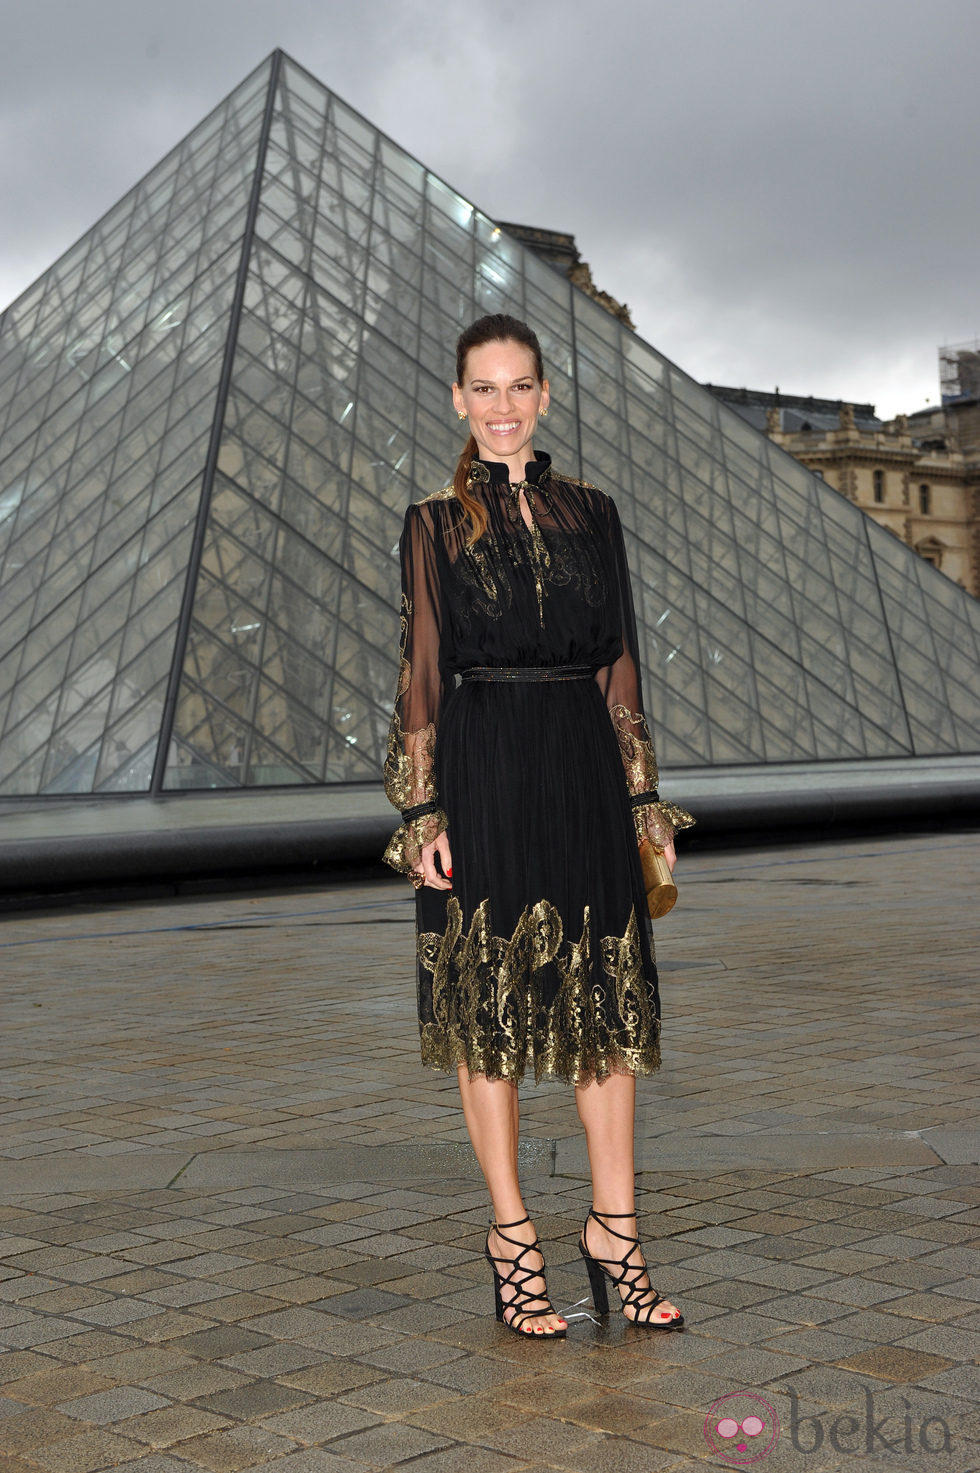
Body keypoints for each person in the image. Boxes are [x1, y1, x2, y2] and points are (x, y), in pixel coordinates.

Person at [383, 313, 694, 1338]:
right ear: (459, 398)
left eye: (520, 387)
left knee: (604, 1002)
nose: (503, 407)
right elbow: (421, 669)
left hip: (578, 758)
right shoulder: (431, 522)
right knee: (493, 1005)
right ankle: (510, 1237)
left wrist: (642, 798)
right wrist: (421, 807)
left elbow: (619, 661)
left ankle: (615, 1229)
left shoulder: (591, 512)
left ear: (546, 395)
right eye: (484, 388)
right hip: (482, 764)